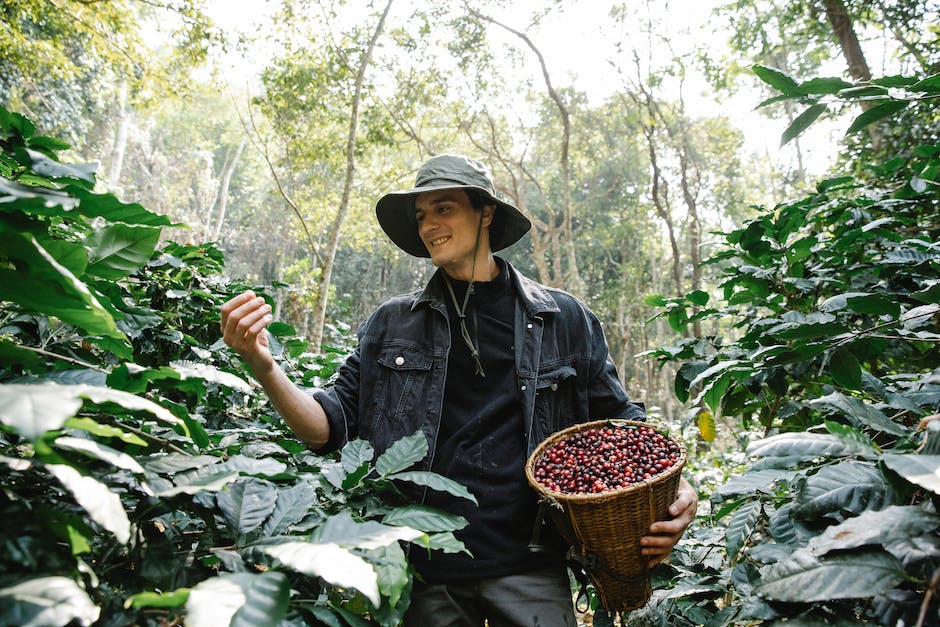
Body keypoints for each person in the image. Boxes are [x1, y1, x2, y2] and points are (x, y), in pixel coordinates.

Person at [221, 154, 698, 626]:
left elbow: (621, 424)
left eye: (444, 208)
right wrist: (264, 367)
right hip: (427, 569)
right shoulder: (392, 324)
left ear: (486, 213)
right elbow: (325, 427)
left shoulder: (562, 319)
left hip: (530, 564)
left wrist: (681, 490)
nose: (429, 225)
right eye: (422, 215)